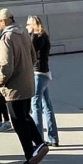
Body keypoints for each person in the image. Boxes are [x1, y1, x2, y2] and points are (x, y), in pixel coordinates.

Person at [0, 8, 47, 164]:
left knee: (18, 123)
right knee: (25, 117)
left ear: (5, 21)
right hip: (27, 84)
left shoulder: (6, 38)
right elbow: (33, 56)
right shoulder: (22, 32)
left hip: (14, 88)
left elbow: (6, 66)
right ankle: (39, 144)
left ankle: (31, 159)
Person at [27, 15, 58, 147]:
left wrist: (31, 35)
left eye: (28, 24)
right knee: (47, 105)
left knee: (36, 105)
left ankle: (38, 139)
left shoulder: (36, 37)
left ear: (33, 25)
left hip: (37, 73)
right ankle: (53, 137)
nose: (27, 27)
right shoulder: (44, 36)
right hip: (45, 72)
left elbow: (31, 53)